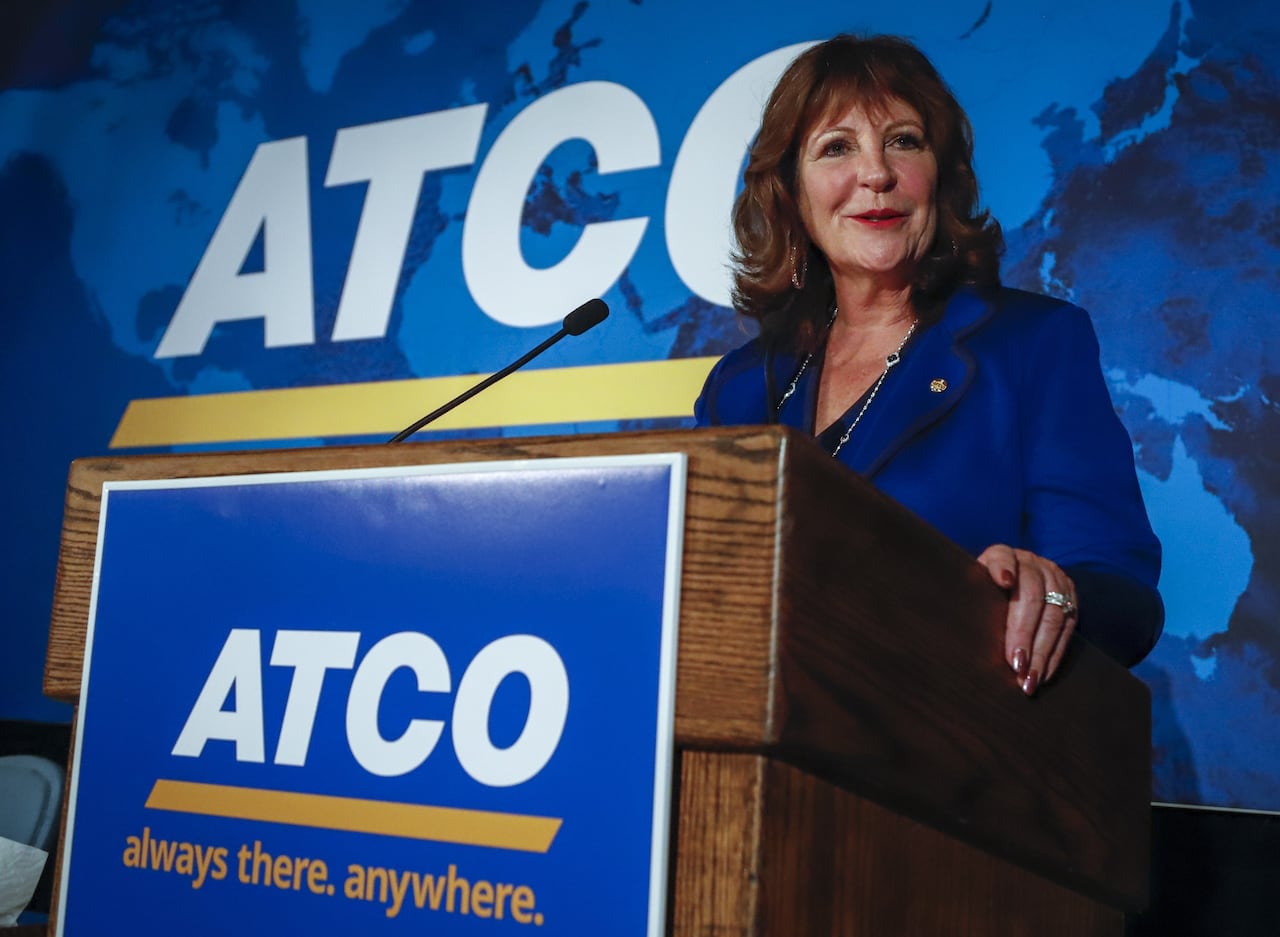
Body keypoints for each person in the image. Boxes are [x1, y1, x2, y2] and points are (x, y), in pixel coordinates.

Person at [694, 34, 1163, 694]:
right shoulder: (738, 387)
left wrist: (1059, 592)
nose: (876, 174)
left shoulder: (1033, 344)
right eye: (836, 147)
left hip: (962, 751)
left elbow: (1122, 591)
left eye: (904, 141)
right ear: (792, 193)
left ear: (939, 176)